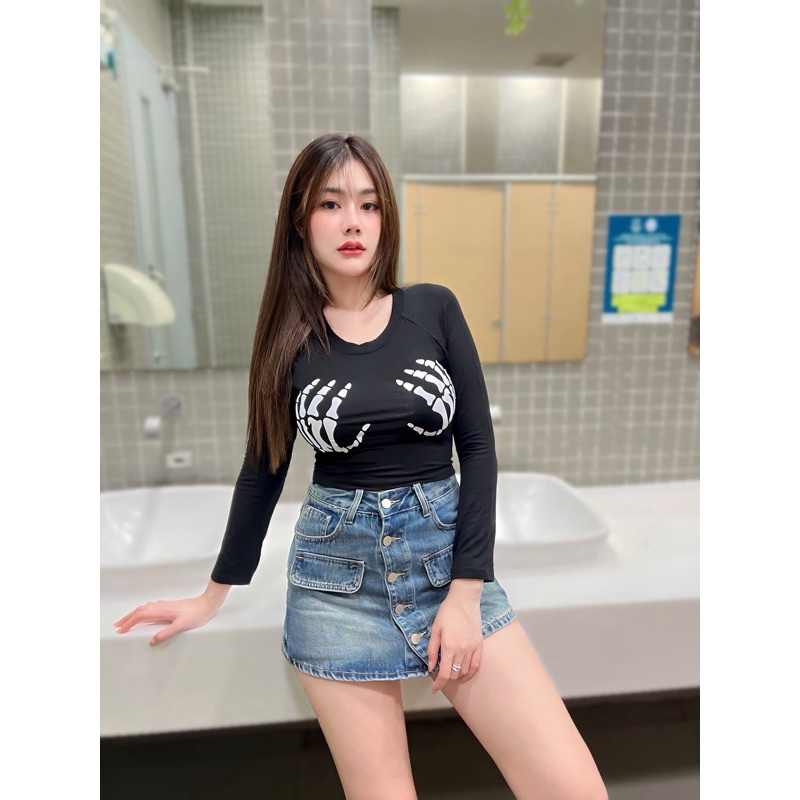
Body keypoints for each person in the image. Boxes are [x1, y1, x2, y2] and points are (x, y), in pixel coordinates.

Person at [113, 133, 607, 800]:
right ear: (300, 220)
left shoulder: (433, 308)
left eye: (369, 205)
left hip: (447, 565)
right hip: (335, 585)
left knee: (573, 789)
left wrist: (466, 594)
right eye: (331, 204)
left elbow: (478, 448)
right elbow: (263, 470)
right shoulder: (287, 339)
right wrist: (210, 596)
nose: (353, 222)